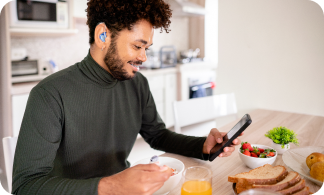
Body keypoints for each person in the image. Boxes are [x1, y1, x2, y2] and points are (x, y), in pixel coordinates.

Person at [12, 0, 241, 194]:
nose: (143, 57)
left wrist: (203, 146)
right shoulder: (50, 94)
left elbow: (158, 136)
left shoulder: (137, 83)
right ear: (103, 35)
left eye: (147, 48)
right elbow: (25, 186)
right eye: (137, 46)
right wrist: (112, 185)